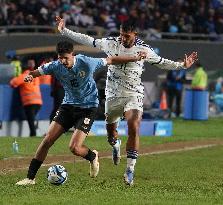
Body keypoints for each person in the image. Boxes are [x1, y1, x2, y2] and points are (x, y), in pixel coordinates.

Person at [56, 16, 198, 185]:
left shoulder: (145, 50)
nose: (123, 39)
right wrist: (64, 31)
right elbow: (88, 40)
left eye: (127, 36)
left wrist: (181, 65)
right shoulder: (111, 43)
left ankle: (130, 169)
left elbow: (161, 63)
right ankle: (115, 144)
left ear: (135, 34)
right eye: (122, 35)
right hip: (113, 93)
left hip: (133, 93)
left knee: (134, 124)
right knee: (111, 133)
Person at [15, 40, 147, 185]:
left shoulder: (87, 62)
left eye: (66, 58)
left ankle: (92, 156)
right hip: (67, 106)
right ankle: (30, 178)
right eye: (60, 58)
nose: (63, 61)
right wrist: (31, 75)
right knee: (47, 140)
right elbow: (40, 70)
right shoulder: (55, 65)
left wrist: (134, 57)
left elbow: (111, 59)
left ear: (73, 55)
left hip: (88, 108)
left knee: (75, 148)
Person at [10, 58, 42, 137]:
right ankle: (34, 132)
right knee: (31, 119)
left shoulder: (24, 75)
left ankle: (33, 134)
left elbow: (13, 83)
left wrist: (15, 77)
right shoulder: (36, 76)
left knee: (30, 120)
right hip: (38, 102)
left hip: (29, 102)